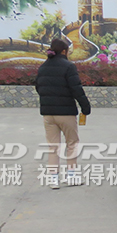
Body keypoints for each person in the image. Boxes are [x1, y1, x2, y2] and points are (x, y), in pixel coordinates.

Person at [35, 38, 91, 189]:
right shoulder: (69, 67)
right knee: (72, 143)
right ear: (64, 51)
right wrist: (85, 107)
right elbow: (76, 89)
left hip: (48, 114)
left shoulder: (43, 67)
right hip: (66, 113)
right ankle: (71, 176)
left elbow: (38, 87)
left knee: (53, 146)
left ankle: (53, 180)